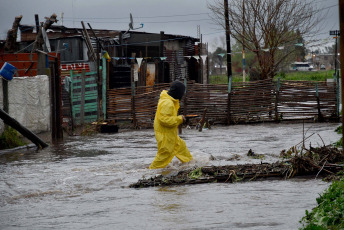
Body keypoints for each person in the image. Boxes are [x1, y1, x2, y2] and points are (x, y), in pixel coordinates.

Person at [149, 80, 193, 169]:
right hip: (165, 136)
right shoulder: (167, 103)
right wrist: (180, 119)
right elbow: (164, 120)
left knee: (181, 147)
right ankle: (151, 173)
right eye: (182, 93)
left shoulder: (169, 100)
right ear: (178, 92)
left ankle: (190, 164)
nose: (182, 95)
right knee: (164, 155)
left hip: (169, 134)